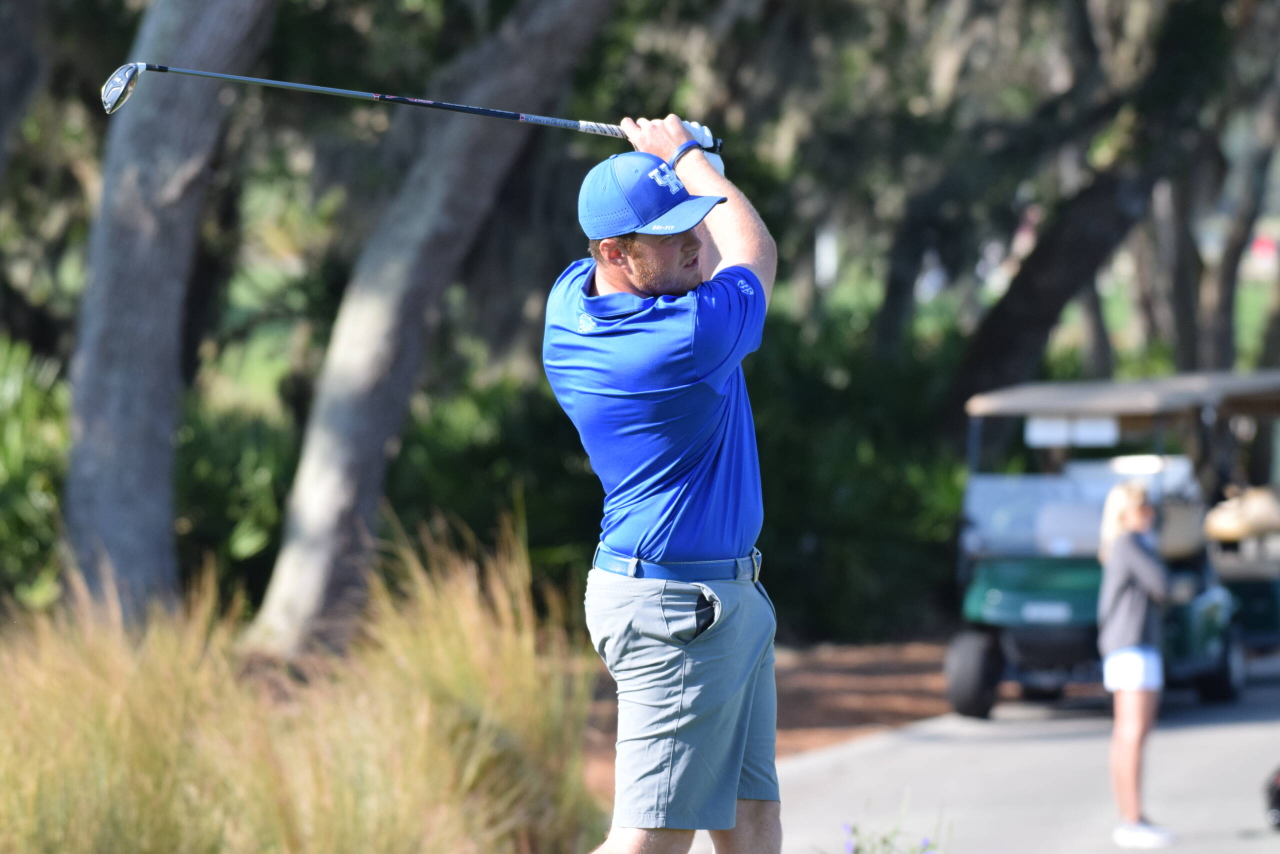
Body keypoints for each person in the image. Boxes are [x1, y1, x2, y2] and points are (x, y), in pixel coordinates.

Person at [542, 114, 779, 854]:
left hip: (716, 596)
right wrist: (684, 153)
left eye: (689, 227)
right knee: (649, 842)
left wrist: (683, 175)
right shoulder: (686, 339)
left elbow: (702, 245)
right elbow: (753, 252)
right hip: (677, 611)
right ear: (614, 252)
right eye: (669, 237)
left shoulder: (570, 302)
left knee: (751, 819)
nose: (691, 245)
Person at [1097, 480, 1172, 849]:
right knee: (1131, 735)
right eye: (1142, 508)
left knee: (1129, 735)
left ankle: (1131, 816)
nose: (1149, 515)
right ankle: (1131, 820)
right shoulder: (1129, 543)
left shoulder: (1124, 545)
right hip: (1131, 647)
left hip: (1131, 647)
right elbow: (1161, 584)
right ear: (1124, 514)